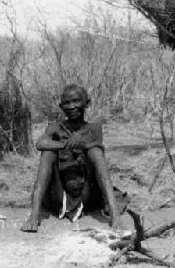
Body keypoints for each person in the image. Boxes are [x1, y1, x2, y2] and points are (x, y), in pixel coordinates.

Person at [21, 84, 124, 232]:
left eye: (76, 101)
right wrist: (65, 144)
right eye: (67, 103)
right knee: (47, 153)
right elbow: (40, 143)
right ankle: (34, 215)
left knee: (95, 152)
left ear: (86, 103)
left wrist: (82, 144)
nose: (71, 106)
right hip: (59, 193)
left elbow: (97, 147)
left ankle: (115, 216)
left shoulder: (94, 128)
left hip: (86, 193)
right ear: (61, 106)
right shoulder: (55, 127)